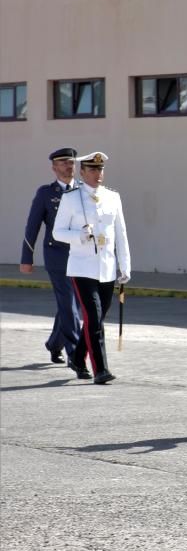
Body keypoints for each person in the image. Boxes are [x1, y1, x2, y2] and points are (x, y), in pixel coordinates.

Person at [51, 152, 131, 384]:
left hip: (106, 267)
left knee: (97, 317)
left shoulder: (112, 197)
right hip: (82, 267)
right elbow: (58, 232)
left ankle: (76, 357)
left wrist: (125, 265)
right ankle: (101, 369)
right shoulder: (71, 198)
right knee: (94, 319)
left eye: (101, 169)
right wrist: (79, 235)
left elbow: (121, 234)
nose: (98, 174)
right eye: (93, 170)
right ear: (82, 172)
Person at [20, 147, 82, 364]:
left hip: (81, 255)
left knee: (72, 304)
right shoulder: (46, 193)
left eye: (71, 162)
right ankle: (75, 355)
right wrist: (27, 258)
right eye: (64, 162)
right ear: (54, 167)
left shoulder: (84, 190)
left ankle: (54, 343)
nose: (68, 165)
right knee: (69, 303)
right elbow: (32, 226)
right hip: (57, 255)